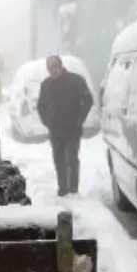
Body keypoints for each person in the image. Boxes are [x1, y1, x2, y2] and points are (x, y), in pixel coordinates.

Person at [36, 55, 94, 195]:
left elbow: (88, 99)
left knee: (71, 158)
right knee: (58, 160)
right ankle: (62, 188)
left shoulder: (76, 81)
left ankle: (73, 189)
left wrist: (79, 118)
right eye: (50, 68)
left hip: (72, 127)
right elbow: (41, 106)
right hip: (55, 129)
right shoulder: (46, 85)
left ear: (61, 66)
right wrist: (47, 122)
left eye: (55, 66)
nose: (53, 70)